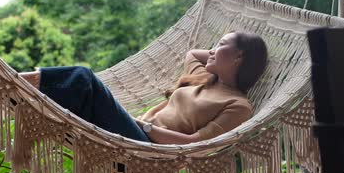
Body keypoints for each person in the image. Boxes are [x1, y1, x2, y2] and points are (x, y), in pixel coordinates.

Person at [18, 31, 268, 144]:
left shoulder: (238, 106)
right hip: (133, 132)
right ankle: (18, 92)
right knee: (81, 90)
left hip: (148, 149)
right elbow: (194, 53)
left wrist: (144, 126)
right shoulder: (203, 77)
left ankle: (15, 82)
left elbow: (195, 143)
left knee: (84, 77)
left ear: (239, 57)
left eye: (221, 44)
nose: (212, 50)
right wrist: (222, 55)